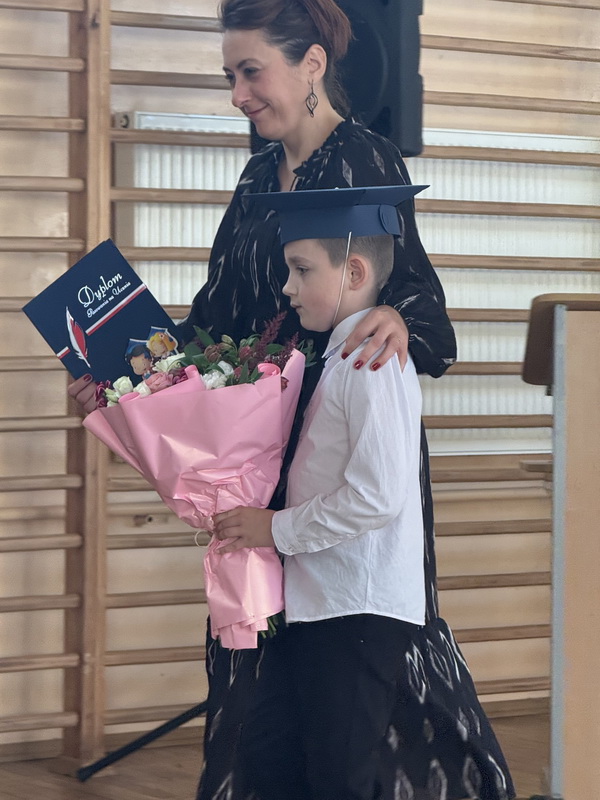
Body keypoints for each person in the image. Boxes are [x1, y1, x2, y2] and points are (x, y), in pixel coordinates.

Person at [66, 1, 506, 797]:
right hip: (260, 465)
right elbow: (215, 324)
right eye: (229, 76)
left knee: (351, 694)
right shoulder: (255, 177)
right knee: (264, 685)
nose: (238, 93)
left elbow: (422, 311)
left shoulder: (364, 155)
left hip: (339, 452)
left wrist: (393, 317)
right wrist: (120, 381)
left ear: (310, 65)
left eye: (251, 72)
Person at [213, 185, 514, 800]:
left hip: (357, 609)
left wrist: (275, 528)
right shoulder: (341, 356)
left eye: (301, 271)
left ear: (353, 272)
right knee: (286, 763)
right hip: (324, 604)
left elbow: (378, 495)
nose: (288, 288)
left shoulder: (372, 362)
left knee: (339, 776)